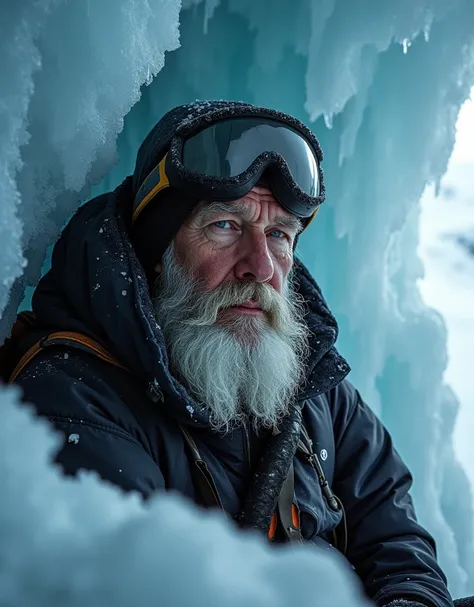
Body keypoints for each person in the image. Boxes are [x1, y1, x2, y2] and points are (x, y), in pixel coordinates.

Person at [7, 101, 453, 607]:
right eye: (225, 225)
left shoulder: (314, 387)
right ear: (157, 254)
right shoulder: (72, 403)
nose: (260, 267)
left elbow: (392, 532)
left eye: (280, 234)